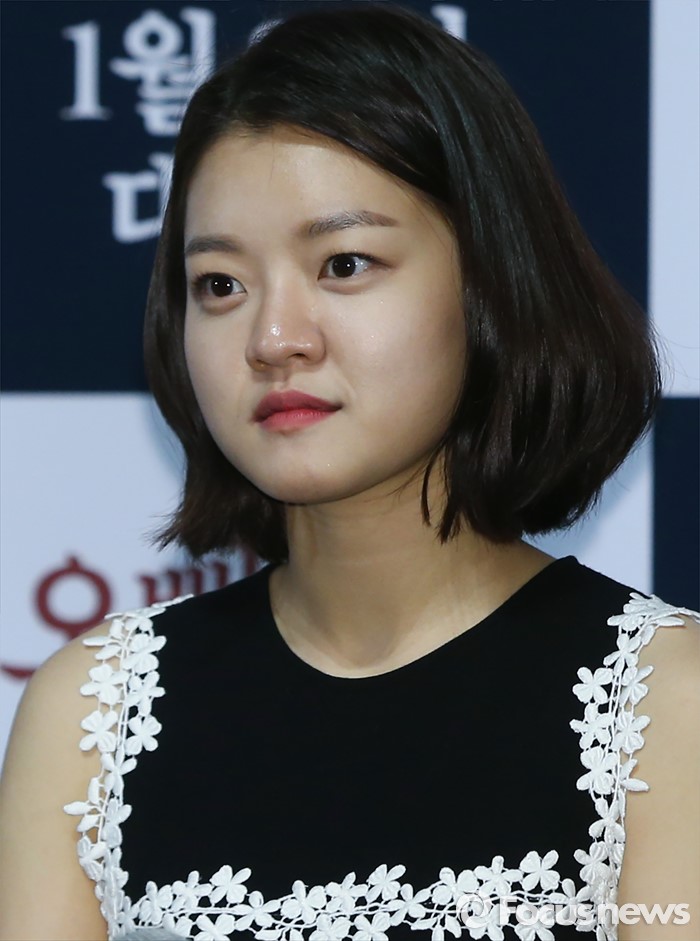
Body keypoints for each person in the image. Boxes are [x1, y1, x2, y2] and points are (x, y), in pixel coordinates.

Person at [0, 4, 698, 940]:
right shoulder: (94, 711)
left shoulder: (668, 704)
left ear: (491, 280)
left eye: (344, 263)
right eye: (220, 284)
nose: (274, 337)